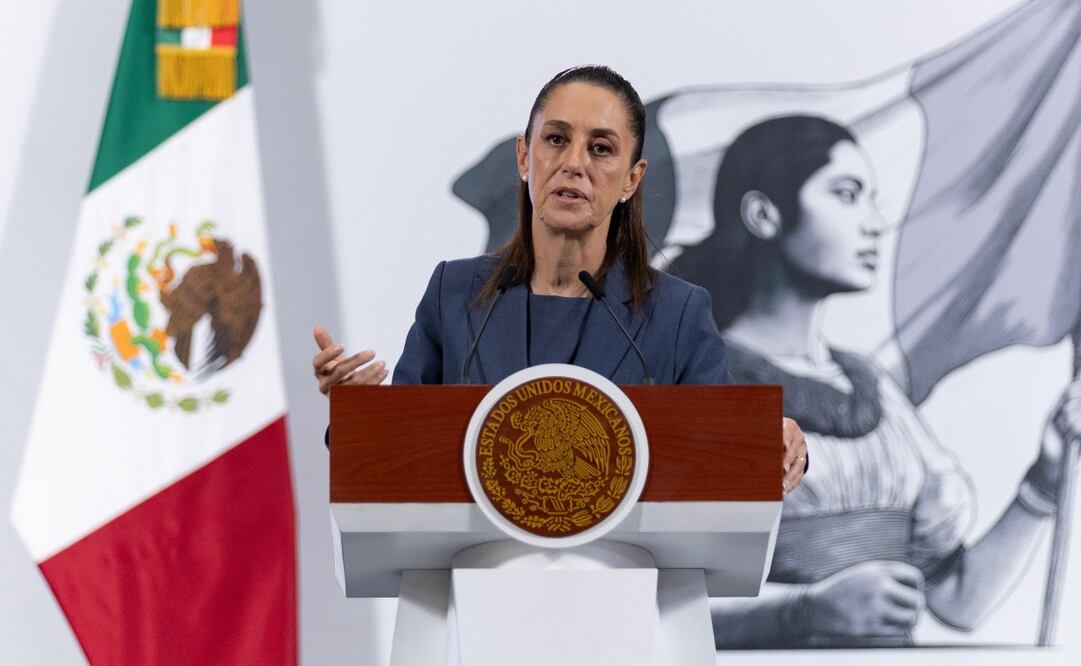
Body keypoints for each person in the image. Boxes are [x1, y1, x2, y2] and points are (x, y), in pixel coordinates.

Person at [670, 114, 1081, 647]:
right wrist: (803, 611)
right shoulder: (699, 380)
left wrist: (1045, 479)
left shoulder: (874, 387)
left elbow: (959, 601)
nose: (873, 224)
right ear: (763, 214)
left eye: (871, 200)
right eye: (846, 195)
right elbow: (661, 604)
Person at [312, 65, 808, 492]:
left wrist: (773, 443)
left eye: (601, 148)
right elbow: (399, 454)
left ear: (632, 179)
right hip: (478, 570)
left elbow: (723, 452)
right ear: (524, 158)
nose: (573, 164)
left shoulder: (676, 314)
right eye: (556, 140)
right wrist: (359, 411)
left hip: (623, 574)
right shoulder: (455, 294)